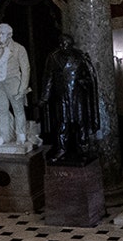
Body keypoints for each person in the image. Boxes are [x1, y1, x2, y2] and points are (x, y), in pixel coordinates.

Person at [40, 34, 101, 165]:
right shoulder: (53, 57)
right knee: (62, 124)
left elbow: (89, 77)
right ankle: (62, 149)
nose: (63, 46)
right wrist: (44, 97)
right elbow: (48, 78)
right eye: (61, 43)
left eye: (65, 44)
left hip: (77, 96)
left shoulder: (80, 56)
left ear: (71, 44)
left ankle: (84, 149)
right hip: (61, 96)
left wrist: (83, 82)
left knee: (80, 123)